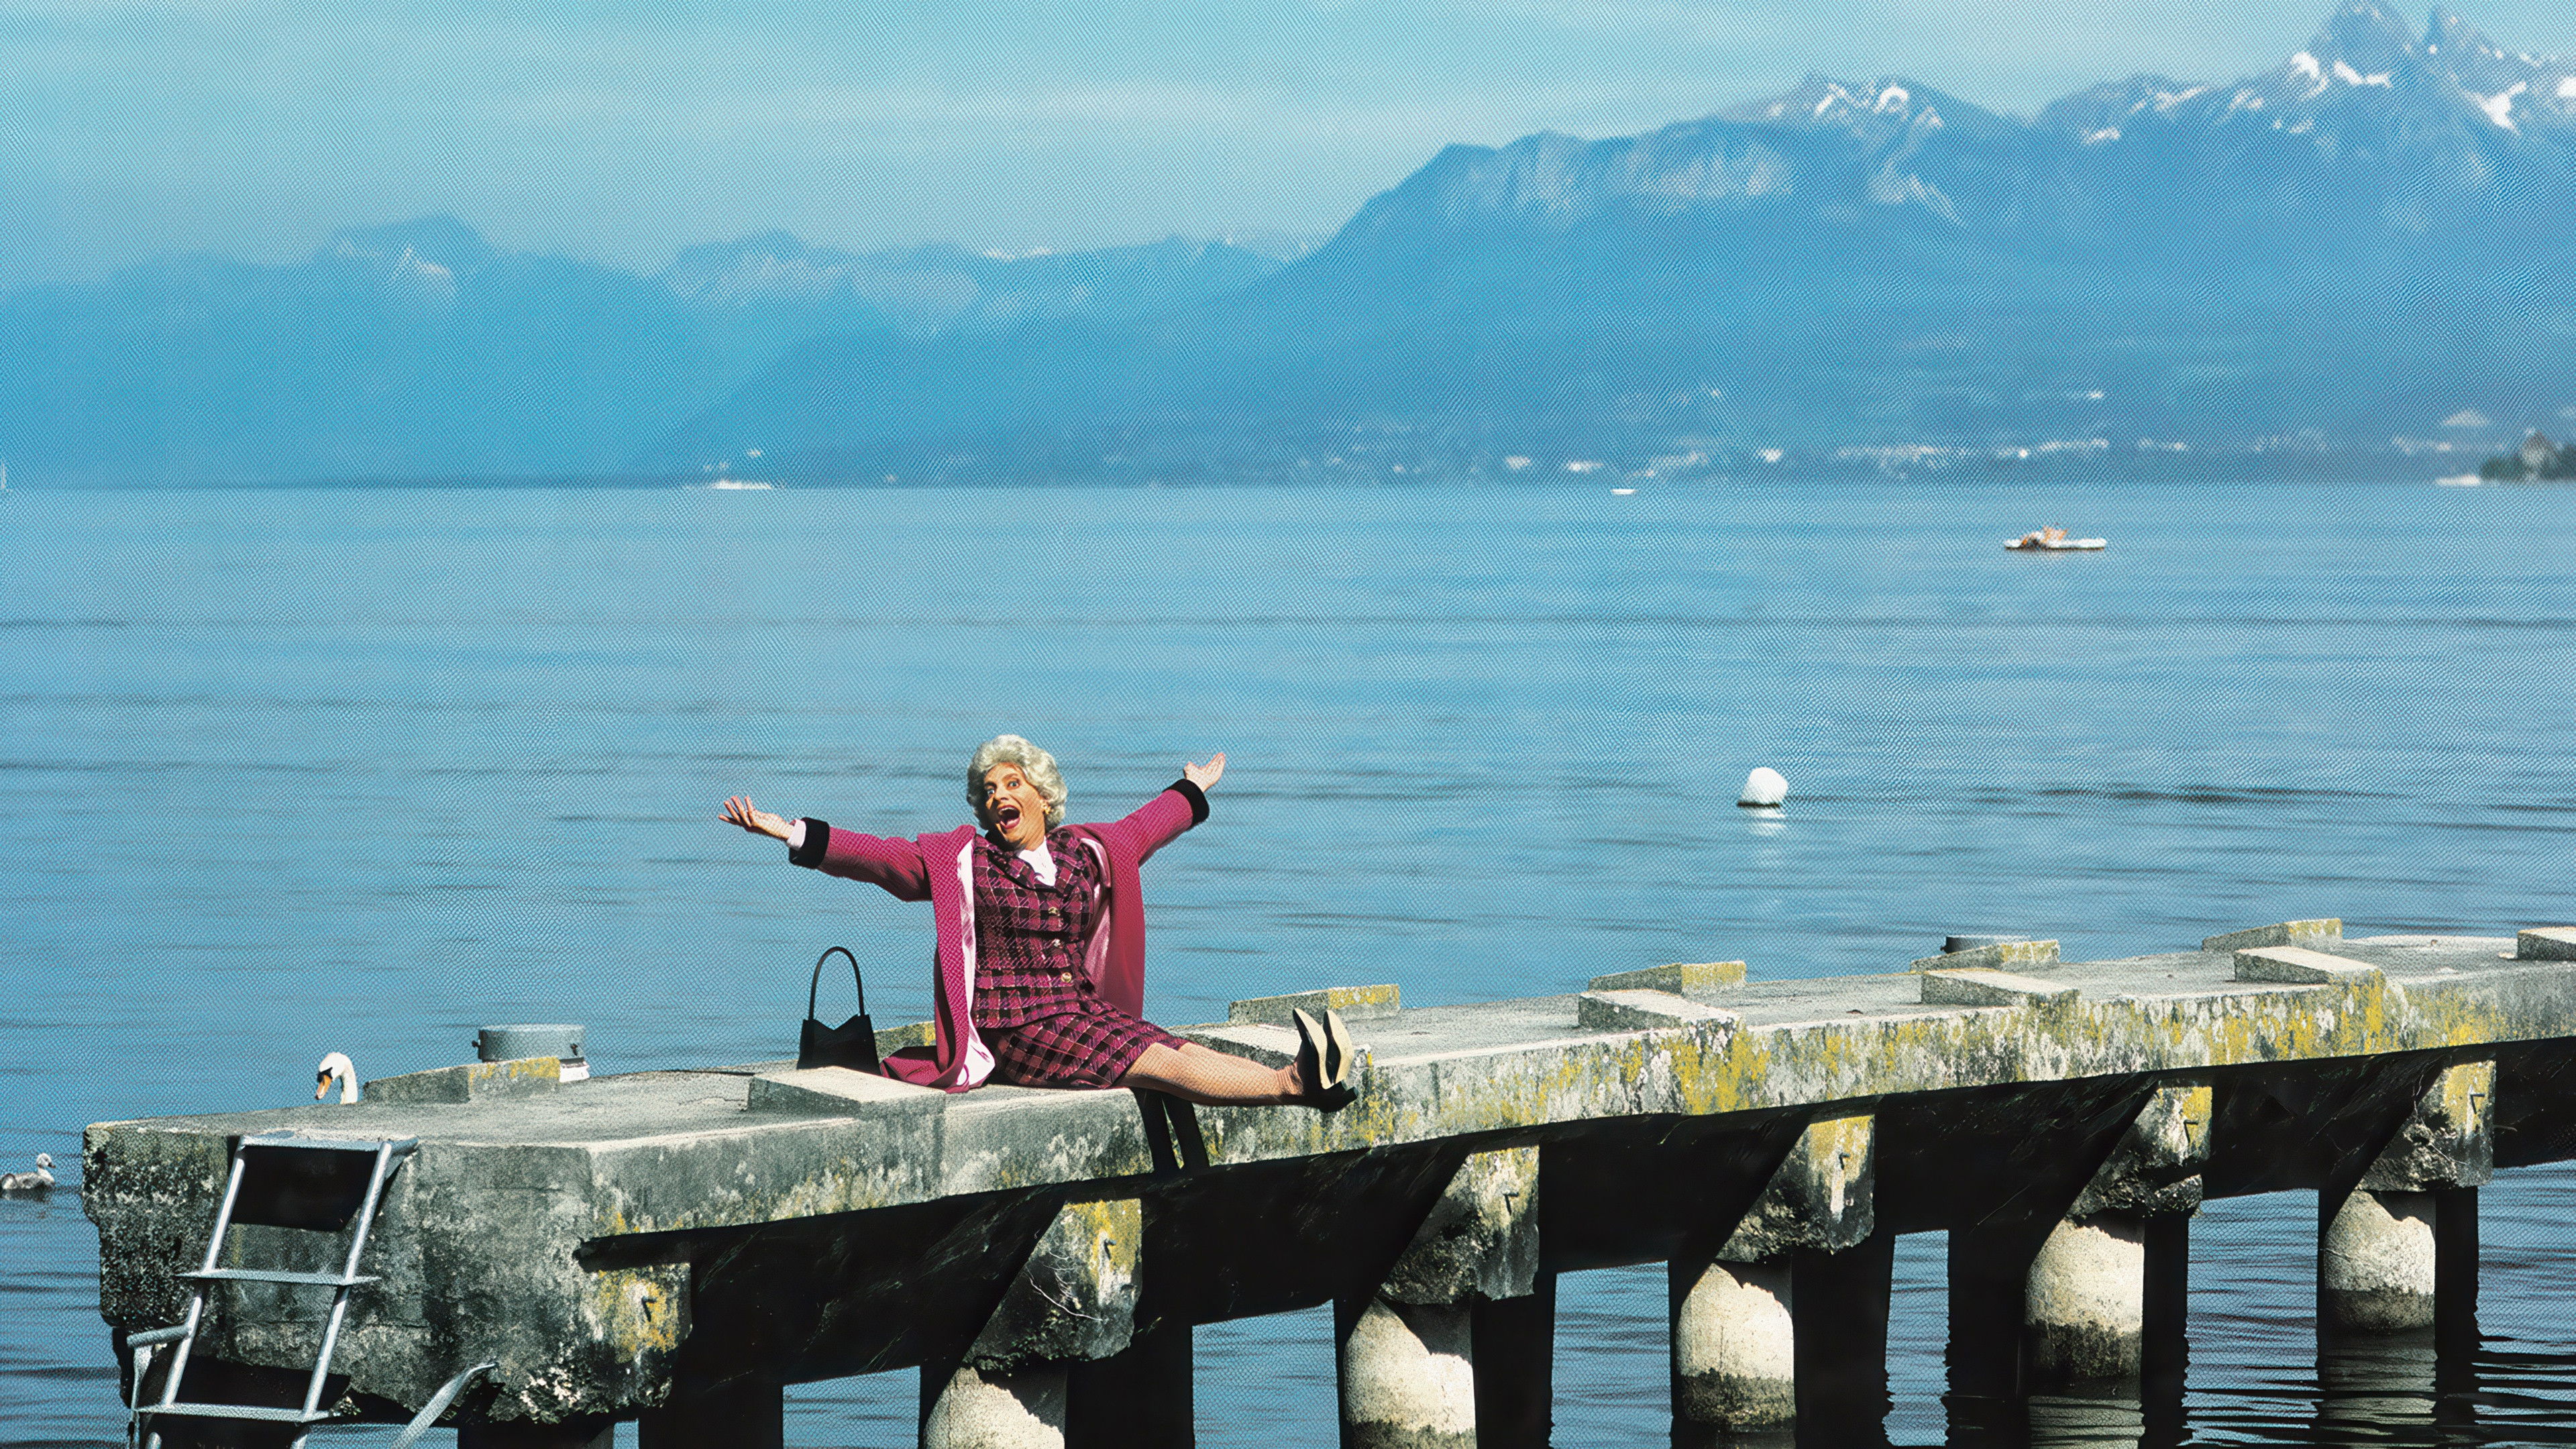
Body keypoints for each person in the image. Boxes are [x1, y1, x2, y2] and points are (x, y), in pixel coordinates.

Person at [722, 735, 1354, 1109]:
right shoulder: (965, 862)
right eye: (988, 791)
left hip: (1080, 1014)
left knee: (1166, 1045)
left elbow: (1147, 826)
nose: (998, 797)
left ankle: (1304, 1080)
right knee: (1150, 1059)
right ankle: (1296, 1084)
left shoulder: (1087, 852)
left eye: (1011, 784)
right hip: (1014, 1029)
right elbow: (880, 858)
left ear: (1043, 797)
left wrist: (1191, 790)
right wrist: (791, 832)